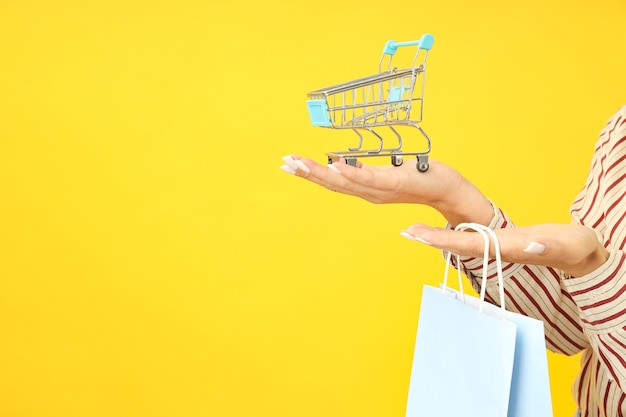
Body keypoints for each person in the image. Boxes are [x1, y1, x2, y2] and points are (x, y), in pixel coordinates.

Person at [280, 105, 626, 417]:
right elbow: (573, 330)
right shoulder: (620, 131)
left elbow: (601, 286)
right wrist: (457, 200)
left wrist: (593, 269)